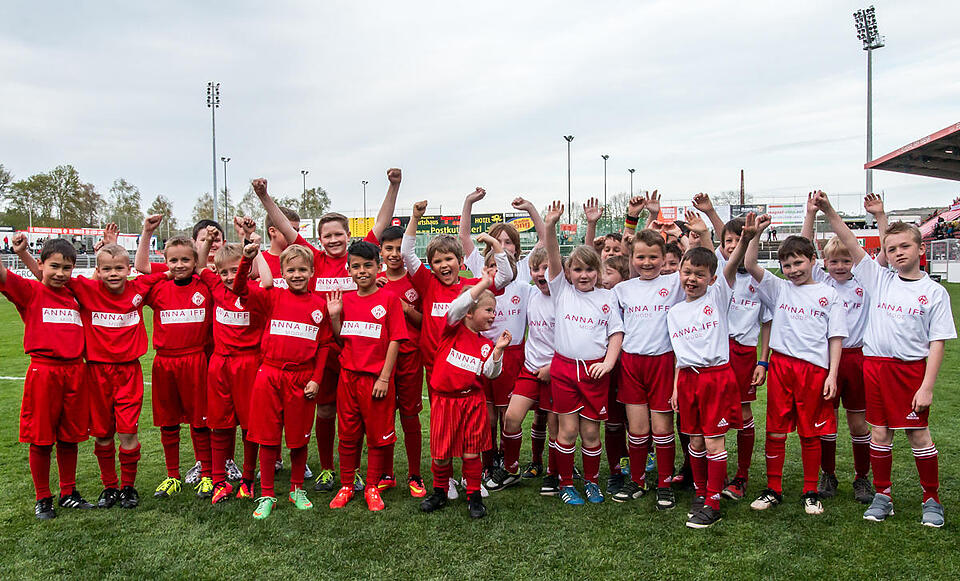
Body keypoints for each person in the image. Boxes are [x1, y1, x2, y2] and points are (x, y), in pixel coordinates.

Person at [252, 171, 400, 494]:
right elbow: (286, 227)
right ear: (319, 240)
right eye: (327, 236)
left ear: (349, 235)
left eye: (338, 235)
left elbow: (382, 220)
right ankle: (327, 469)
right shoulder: (314, 260)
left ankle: (356, 473)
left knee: (357, 414)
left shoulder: (358, 259)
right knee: (325, 408)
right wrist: (265, 197)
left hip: (355, 349)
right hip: (319, 347)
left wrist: (393, 186)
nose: (333, 240)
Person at [818, 191, 955, 528]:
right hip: (874, 368)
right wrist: (829, 210)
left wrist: (927, 387)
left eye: (904, 247)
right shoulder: (877, 279)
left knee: (919, 437)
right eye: (891, 249)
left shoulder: (935, 293)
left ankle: (931, 499)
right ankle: (883, 496)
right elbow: (849, 240)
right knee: (878, 435)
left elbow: (937, 344)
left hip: (909, 372)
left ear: (921, 249)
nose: (897, 253)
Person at [15, 240, 172, 510]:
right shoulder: (85, 289)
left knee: (126, 433)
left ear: (128, 270)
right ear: (97, 271)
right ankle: (107, 487)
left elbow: (169, 272)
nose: (113, 273)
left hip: (128, 371)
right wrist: (23, 254)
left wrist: (177, 268)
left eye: (119, 268)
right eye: (107, 269)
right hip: (93, 372)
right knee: (100, 433)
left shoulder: (138, 288)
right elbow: (49, 276)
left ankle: (127, 488)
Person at [742, 215, 847, 516]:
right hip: (781, 367)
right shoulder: (779, 288)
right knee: (775, 429)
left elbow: (835, 339)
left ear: (813, 260)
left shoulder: (829, 295)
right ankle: (773, 488)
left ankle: (810, 491)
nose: (792, 270)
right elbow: (750, 265)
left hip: (813, 371)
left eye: (798, 263)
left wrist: (832, 375)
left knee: (809, 432)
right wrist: (755, 235)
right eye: (787, 265)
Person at [233, 242, 334, 520]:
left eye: (303, 269)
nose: (297, 274)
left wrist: (316, 379)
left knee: (299, 437)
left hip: (301, 379)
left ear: (312, 272)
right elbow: (239, 289)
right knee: (267, 436)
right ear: (282, 273)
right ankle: (267, 493)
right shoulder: (272, 297)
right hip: (270, 374)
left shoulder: (319, 305)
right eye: (291, 270)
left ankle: (296, 489)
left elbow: (324, 345)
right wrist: (246, 260)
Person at [801, 192, 888, 504]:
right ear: (823, 262)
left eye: (846, 260)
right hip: (826, 360)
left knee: (858, 422)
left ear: (855, 260)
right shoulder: (820, 281)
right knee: (826, 419)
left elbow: (880, 251)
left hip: (857, 358)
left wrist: (879, 216)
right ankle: (828, 473)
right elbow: (802, 246)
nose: (840, 266)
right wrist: (811, 214)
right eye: (834, 261)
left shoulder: (866, 280)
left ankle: (862, 477)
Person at [1, 236, 92, 519]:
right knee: (41, 439)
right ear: (41, 265)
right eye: (54, 266)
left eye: (67, 268)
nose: (61, 273)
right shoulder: (30, 292)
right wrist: (20, 252)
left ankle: (68, 493)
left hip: (76, 371)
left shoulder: (76, 296)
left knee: (69, 436)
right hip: (44, 372)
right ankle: (43, 498)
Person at [667, 226, 750, 528]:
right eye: (687, 272)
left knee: (714, 443)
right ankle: (701, 492)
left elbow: (731, 262)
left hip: (715, 378)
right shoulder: (675, 312)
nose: (692, 279)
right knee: (696, 442)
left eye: (699, 274)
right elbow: (680, 354)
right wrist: (677, 387)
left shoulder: (717, 298)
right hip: (688, 380)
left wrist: (745, 239)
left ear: (712, 280)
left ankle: (713, 502)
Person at [543, 201, 624, 505]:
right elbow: (552, 254)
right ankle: (566, 484)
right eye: (577, 269)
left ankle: (591, 482)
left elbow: (616, 333)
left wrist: (608, 362)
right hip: (564, 370)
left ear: (599, 271)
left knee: (591, 433)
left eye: (590, 269)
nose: (584, 275)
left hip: (594, 372)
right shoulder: (562, 290)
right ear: (567, 272)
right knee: (567, 431)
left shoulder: (607, 297)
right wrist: (550, 225)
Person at [692, 193, 772, 501]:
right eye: (727, 241)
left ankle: (741, 475)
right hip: (714, 352)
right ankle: (715, 469)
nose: (732, 245)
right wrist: (711, 213)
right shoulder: (717, 276)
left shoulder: (758, 278)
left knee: (742, 411)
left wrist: (762, 362)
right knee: (711, 414)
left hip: (742, 354)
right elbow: (723, 246)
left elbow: (767, 322)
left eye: (739, 240)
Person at [460, 190, 544, 478]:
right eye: (499, 240)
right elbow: (464, 238)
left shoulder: (521, 273)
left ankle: (512, 462)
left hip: (513, 353)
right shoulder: (481, 271)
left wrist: (531, 208)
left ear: (517, 248)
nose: (504, 246)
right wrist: (469, 203)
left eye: (509, 242)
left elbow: (545, 241)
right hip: (481, 350)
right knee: (486, 413)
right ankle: (489, 461)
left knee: (509, 411)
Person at [418, 272, 511, 519]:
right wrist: (483, 284)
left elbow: (490, 373)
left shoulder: (485, 344)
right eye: (489, 310)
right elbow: (456, 307)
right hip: (444, 401)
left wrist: (498, 351)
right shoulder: (451, 329)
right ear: (470, 312)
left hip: (472, 401)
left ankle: (474, 496)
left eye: (494, 311)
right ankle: (439, 492)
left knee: (471, 452)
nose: (493, 315)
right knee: (441, 453)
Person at [325, 240, 408, 512]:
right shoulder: (345, 300)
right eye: (356, 267)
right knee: (348, 434)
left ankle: (372, 485)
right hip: (348, 378)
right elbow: (341, 339)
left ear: (378, 267)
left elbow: (396, 340)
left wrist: (385, 378)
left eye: (368, 265)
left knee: (376, 435)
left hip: (376, 380)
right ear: (348, 270)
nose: (362, 271)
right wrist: (335, 317)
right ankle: (347, 484)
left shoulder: (389, 300)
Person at [136, 225, 215, 501]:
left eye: (185, 260)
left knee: (200, 420)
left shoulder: (204, 286)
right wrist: (164, 273)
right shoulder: (158, 288)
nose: (179, 265)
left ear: (195, 262)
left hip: (196, 360)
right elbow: (139, 276)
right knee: (168, 421)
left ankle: (206, 474)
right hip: (165, 363)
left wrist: (204, 248)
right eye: (173, 260)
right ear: (166, 262)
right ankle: (172, 475)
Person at [195, 234, 271, 504]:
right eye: (223, 271)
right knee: (219, 423)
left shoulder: (258, 294)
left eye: (233, 270)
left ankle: (248, 479)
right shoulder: (216, 288)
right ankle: (218, 479)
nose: (228, 276)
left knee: (250, 426)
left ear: (247, 267)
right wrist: (206, 243)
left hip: (249, 364)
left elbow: (269, 279)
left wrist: (253, 251)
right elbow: (200, 265)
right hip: (219, 364)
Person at [484, 247, 557, 492]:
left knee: (555, 427)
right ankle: (511, 468)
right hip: (530, 369)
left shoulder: (566, 297)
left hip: (557, 371)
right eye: (536, 269)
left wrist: (554, 366)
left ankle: (554, 473)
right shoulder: (530, 293)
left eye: (547, 268)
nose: (541, 273)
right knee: (512, 418)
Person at [376, 226, 428, 497]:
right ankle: (386, 473)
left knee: (409, 415)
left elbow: (426, 322)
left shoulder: (416, 281)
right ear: (381, 251)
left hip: (409, 356)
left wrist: (406, 309)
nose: (395, 254)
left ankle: (415, 474)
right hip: (381, 359)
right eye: (389, 249)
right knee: (384, 415)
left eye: (400, 249)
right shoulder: (374, 280)